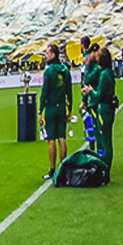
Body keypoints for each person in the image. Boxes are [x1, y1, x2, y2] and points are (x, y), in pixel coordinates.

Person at [40, 44, 73, 179]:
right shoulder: (65, 70)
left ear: (53, 55)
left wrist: (40, 110)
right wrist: (70, 108)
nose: (46, 56)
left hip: (51, 107)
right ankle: (63, 168)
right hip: (62, 107)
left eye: (48, 53)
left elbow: (45, 92)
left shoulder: (49, 72)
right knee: (62, 137)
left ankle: (53, 169)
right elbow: (69, 91)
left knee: (51, 139)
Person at [88, 45, 119, 163]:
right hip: (110, 109)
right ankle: (106, 168)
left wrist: (90, 91)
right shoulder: (110, 72)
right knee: (108, 140)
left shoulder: (104, 75)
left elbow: (99, 96)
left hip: (104, 109)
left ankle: (105, 169)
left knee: (105, 141)